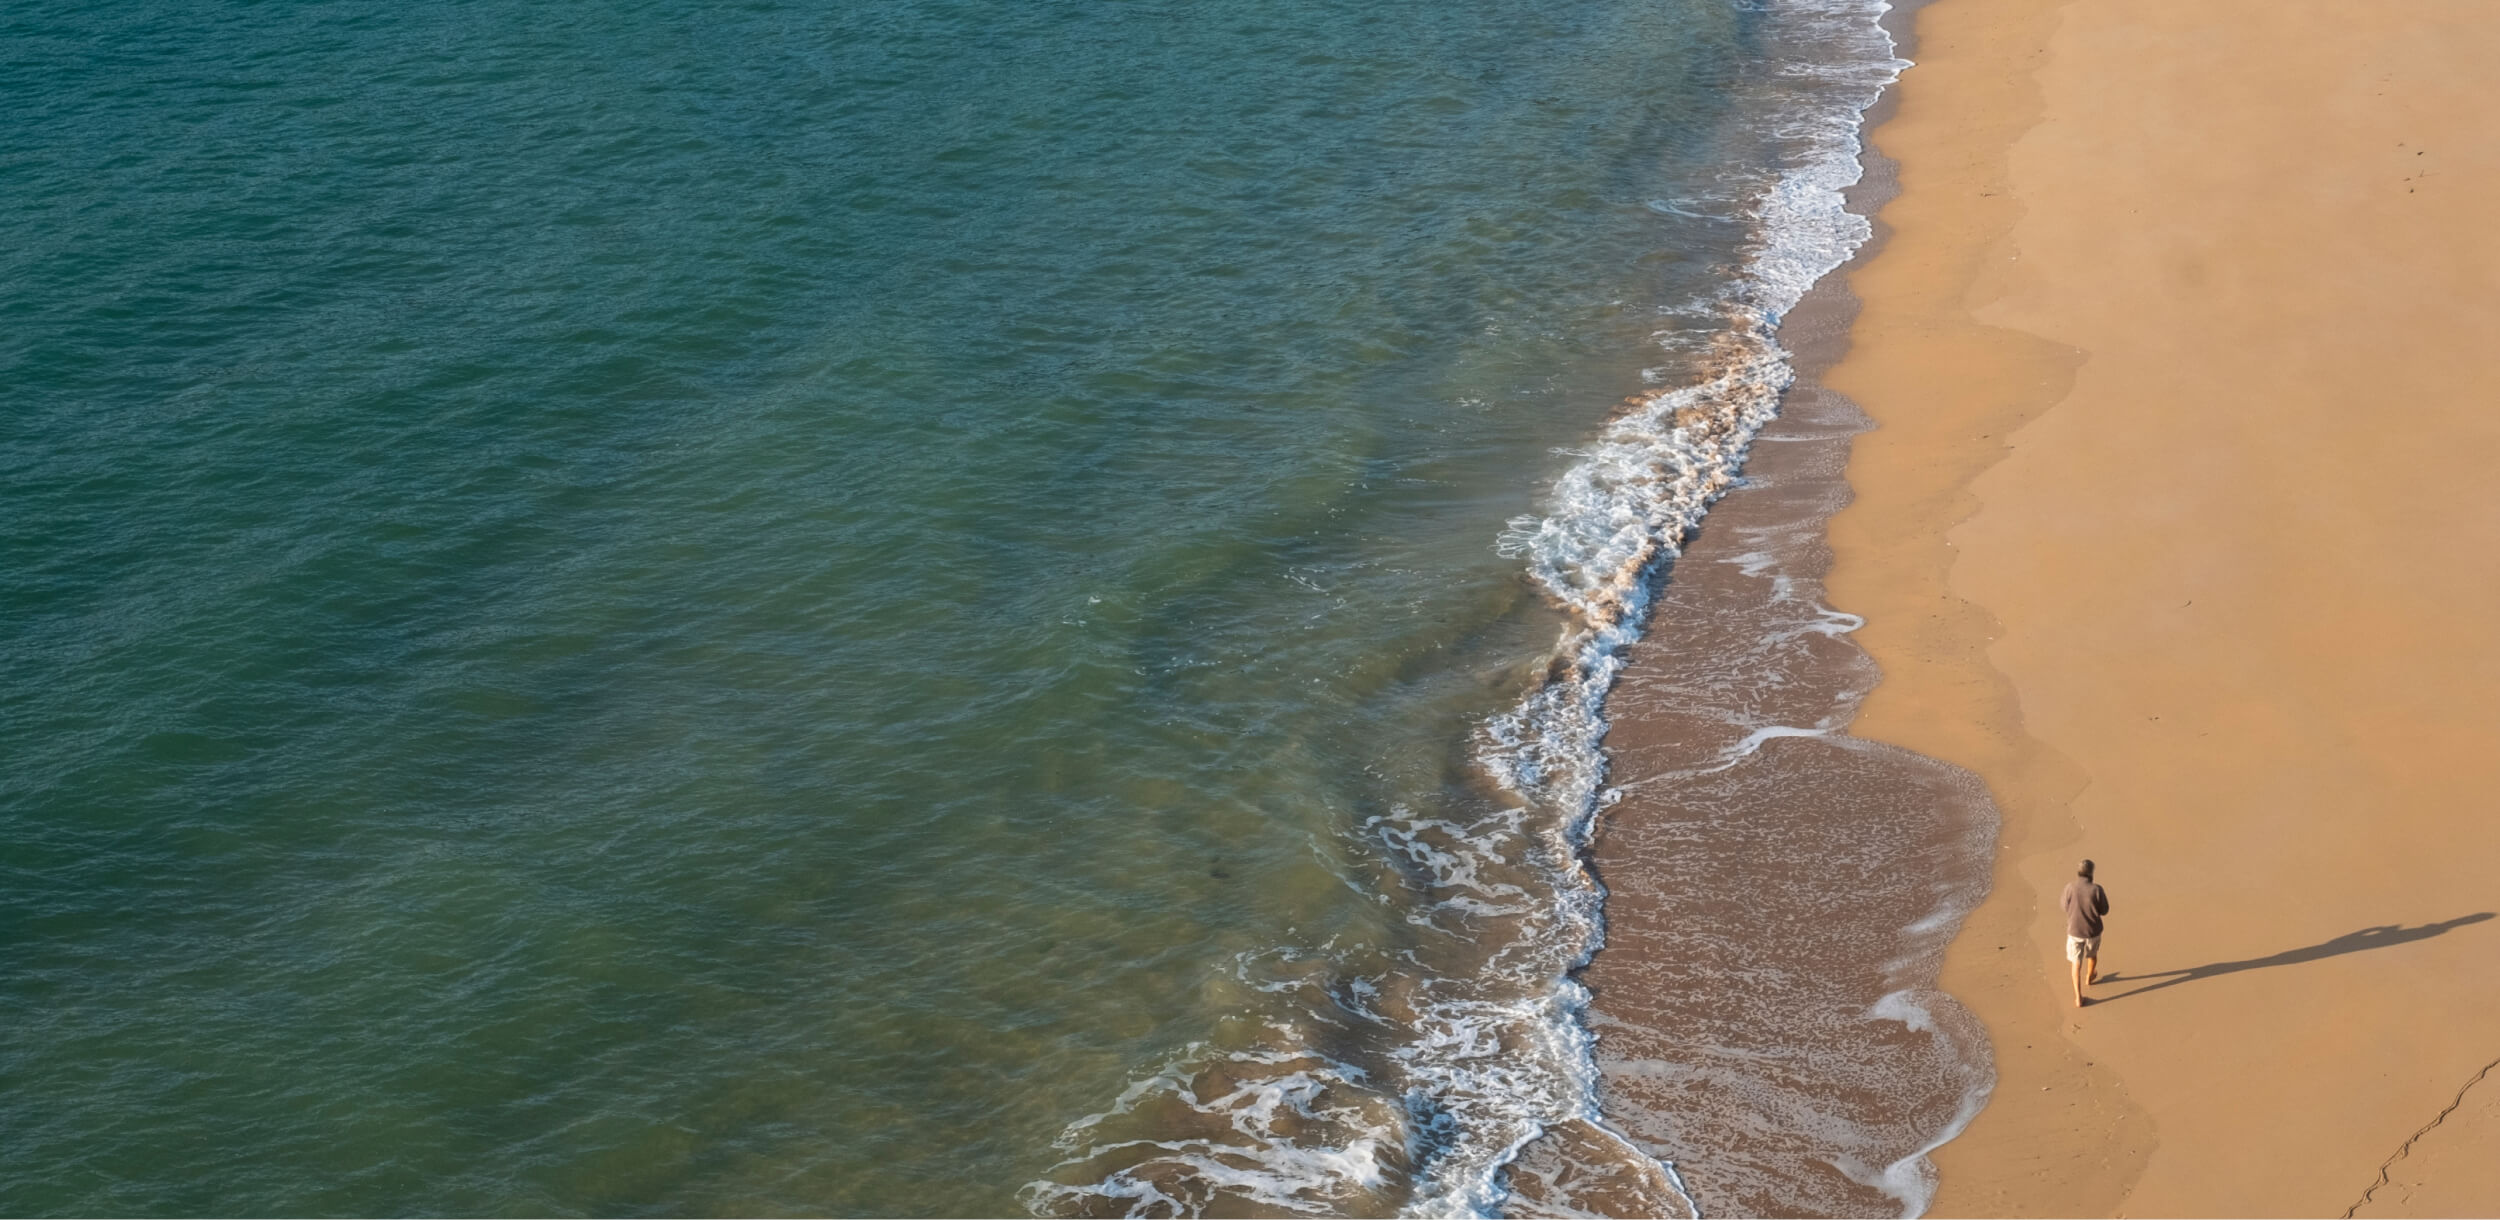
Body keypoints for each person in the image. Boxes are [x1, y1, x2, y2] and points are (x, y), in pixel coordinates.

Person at [2061, 859, 2111, 1007]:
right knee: (2092, 955)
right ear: (2091, 873)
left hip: (2074, 931)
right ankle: (2089, 977)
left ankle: (2078, 997)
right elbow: (2105, 910)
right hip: (2093, 931)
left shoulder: (2070, 887)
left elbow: (2064, 906)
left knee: (2076, 963)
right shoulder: (2097, 889)